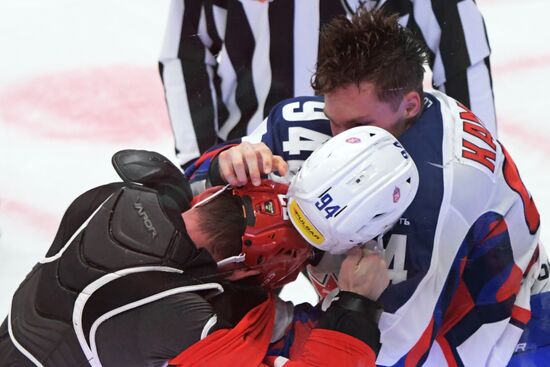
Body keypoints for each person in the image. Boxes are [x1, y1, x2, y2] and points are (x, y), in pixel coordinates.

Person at [185, 10, 546, 366]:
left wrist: (270, 325)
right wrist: (223, 165)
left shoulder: (440, 194)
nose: (340, 140)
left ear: (410, 105)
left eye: (358, 125)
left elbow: (391, 353)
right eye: (332, 121)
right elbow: (186, 193)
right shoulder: (300, 125)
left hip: (507, 338)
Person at [0, 149, 389, 367]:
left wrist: (221, 164)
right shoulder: (189, 324)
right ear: (239, 267)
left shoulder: (108, 198)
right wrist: (355, 310)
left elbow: (184, 193)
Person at [159, 0, 496, 169]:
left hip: (385, 182)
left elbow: (463, 69)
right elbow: (185, 51)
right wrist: (204, 162)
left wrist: (470, 177)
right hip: (257, 166)